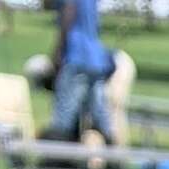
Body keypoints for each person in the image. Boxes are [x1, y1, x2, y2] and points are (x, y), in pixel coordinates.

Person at [45, 0, 116, 145]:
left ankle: (57, 160)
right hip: (96, 58)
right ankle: (113, 158)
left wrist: (58, 51)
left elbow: (69, 10)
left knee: (64, 114)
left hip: (76, 55)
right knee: (100, 115)